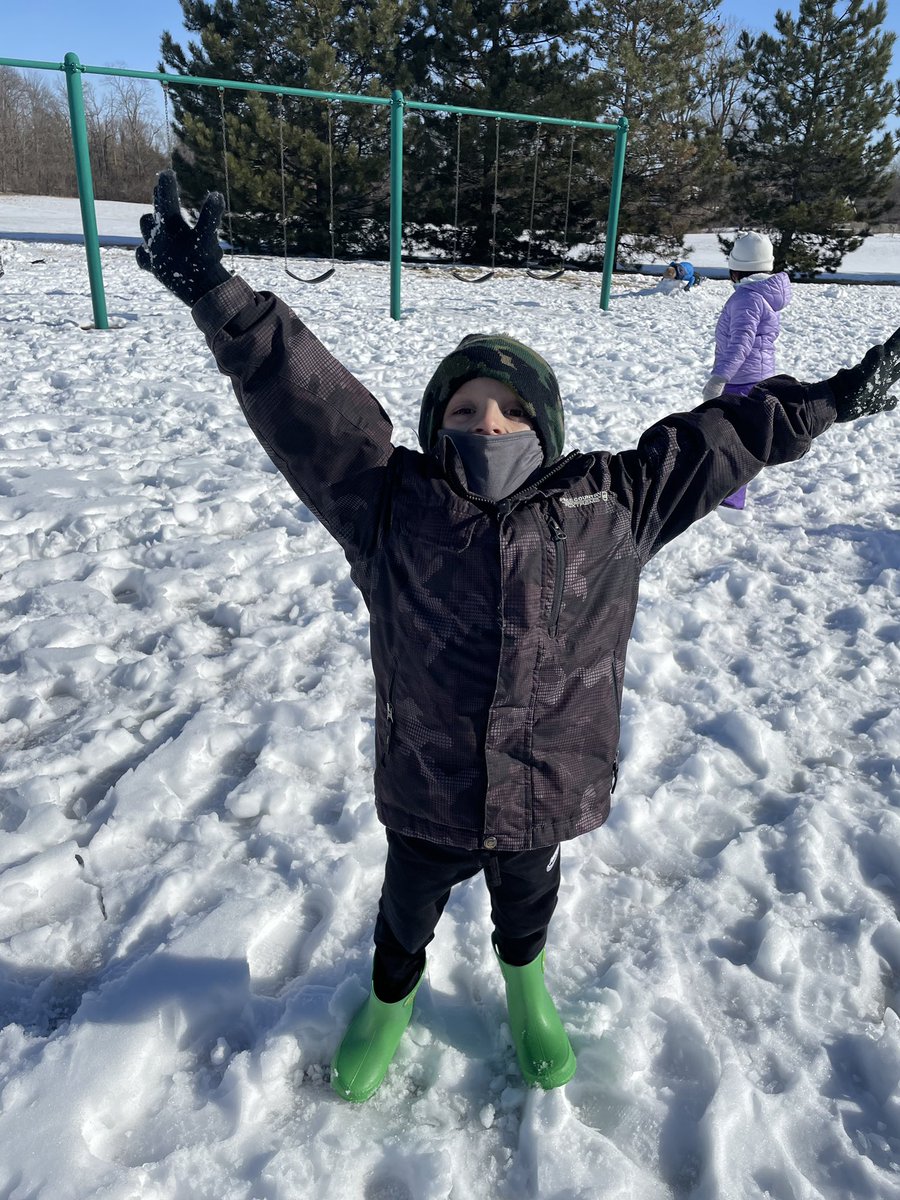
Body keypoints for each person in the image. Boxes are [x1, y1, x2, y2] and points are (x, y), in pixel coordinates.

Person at [136, 170, 899, 1104]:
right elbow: (313, 412)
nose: (485, 425)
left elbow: (729, 434)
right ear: (433, 429)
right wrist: (222, 300)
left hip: (544, 783)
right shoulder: (388, 506)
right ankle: (390, 997)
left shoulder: (612, 505)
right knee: (405, 909)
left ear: (546, 429)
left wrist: (839, 397)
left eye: (509, 412)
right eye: (462, 412)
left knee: (528, 901)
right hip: (427, 785)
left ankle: (526, 986)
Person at [703, 231, 792, 509]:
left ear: (735, 269)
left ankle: (729, 499)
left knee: (731, 439)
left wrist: (720, 378)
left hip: (741, 380)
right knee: (744, 435)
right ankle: (730, 494)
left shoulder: (747, 298)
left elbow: (741, 343)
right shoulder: (763, 294)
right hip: (760, 376)